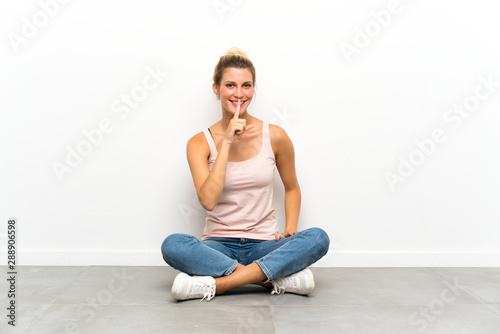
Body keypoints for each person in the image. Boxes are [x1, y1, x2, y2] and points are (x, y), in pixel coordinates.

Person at [161, 47, 330, 302]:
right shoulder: (199, 143)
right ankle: (272, 279)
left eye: (246, 86)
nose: (239, 94)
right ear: (216, 89)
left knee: (318, 238)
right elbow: (208, 200)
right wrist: (226, 141)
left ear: (253, 89)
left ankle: (217, 285)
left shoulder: (275, 136)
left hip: (264, 243)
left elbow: (292, 188)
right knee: (173, 245)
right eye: (230, 85)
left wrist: (291, 228)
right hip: (218, 246)